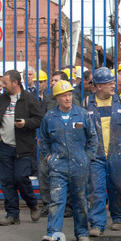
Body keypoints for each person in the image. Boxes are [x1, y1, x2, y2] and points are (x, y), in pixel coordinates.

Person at [39, 80, 98, 241]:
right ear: (57, 97)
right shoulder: (50, 117)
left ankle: (81, 232)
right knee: (57, 200)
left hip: (80, 165)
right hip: (58, 165)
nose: (67, 98)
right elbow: (43, 140)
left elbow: (93, 138)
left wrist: (88, 157)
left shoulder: (82, 114)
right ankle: (53, 234)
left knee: (80, 199)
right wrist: (48, 157)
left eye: (69, 94)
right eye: (64, 95)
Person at [86, 67, 121, 235]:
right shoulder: (87, 103)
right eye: (109, 83)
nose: (113, 86)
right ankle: (97, 224)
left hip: (117, 153)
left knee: (117, 186)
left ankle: (117, 216)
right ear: (98, 86)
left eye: (113, 83)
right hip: (96, 155)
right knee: (96, 189)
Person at [0, 70, 43, 226]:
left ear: (15, 82)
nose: (3, 86)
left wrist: (25, 123)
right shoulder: (1, 99)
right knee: (6, 180)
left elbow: (39, 119)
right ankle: (12, 214)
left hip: (22, 147)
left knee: (21, 178)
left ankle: (33, 204)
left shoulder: (28, 99)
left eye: (5, 83)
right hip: (4, 146)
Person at [38, 70, 80, 218]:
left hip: (66, 145)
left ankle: (67, 206)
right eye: (52, 80)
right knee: (43, 172)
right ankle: (47, 204)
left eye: (56, 80)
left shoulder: (72, 99)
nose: (52, 83)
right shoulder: (49, 99)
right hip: (50, 144)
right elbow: (42, 119)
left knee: (66, 176)